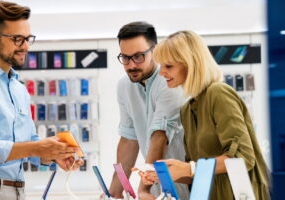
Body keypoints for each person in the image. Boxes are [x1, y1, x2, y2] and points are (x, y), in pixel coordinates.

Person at [0, 2, 82, 200]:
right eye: (17, 39)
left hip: (17, 191)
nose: (25, 46)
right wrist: (36, 147)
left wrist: (54, 154)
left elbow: (27, 145)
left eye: (28, 39)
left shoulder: (18, 89)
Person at [142, 30, 270, 199]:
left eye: (169, 66)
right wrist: (169, 173)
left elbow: (243, 158)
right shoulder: (187, 109)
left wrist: (189, 168)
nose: (161, 73)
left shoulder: (219, 94)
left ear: (191, 63)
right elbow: (198, 171)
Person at [108, 21, 189, 200]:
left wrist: (143, 190)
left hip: (185, 182)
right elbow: (129, 138)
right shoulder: (124, 86)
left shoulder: (169, 81)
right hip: (155, 185)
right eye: (125, 58)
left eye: (138, 56)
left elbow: (159, 137)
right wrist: (114, 191)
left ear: (155, 51)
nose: (131, 65)